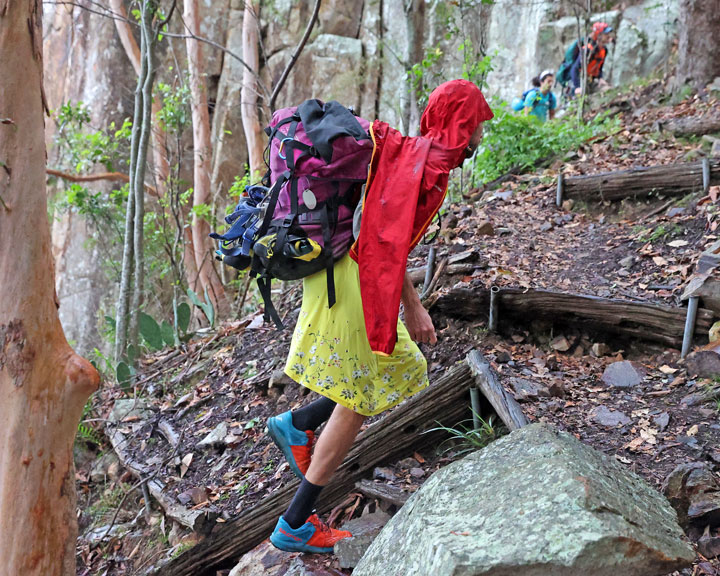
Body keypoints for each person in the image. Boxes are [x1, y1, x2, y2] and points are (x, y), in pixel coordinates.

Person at [266, 79, 494, 554]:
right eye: (477, 126)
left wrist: (406, 301)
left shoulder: (418, 157)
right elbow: (383, 241)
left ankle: (299, 422)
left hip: (349, 268)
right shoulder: (426, 167)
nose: (479, 137)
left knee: (406, 366)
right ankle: (295, 523)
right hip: (353, 275)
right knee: (360, 397)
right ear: (462, 123)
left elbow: (384, 233)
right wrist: (412, 307)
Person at [569, 22, 613, 96]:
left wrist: (600, 78)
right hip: (578, 80)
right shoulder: (587, 50)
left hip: (590, 80)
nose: (608, 36)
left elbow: (599, 67)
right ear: (599, 36)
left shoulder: (604, 50)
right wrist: (577, 87)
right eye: (605, 34)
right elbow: (574, 69)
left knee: (608, 90)